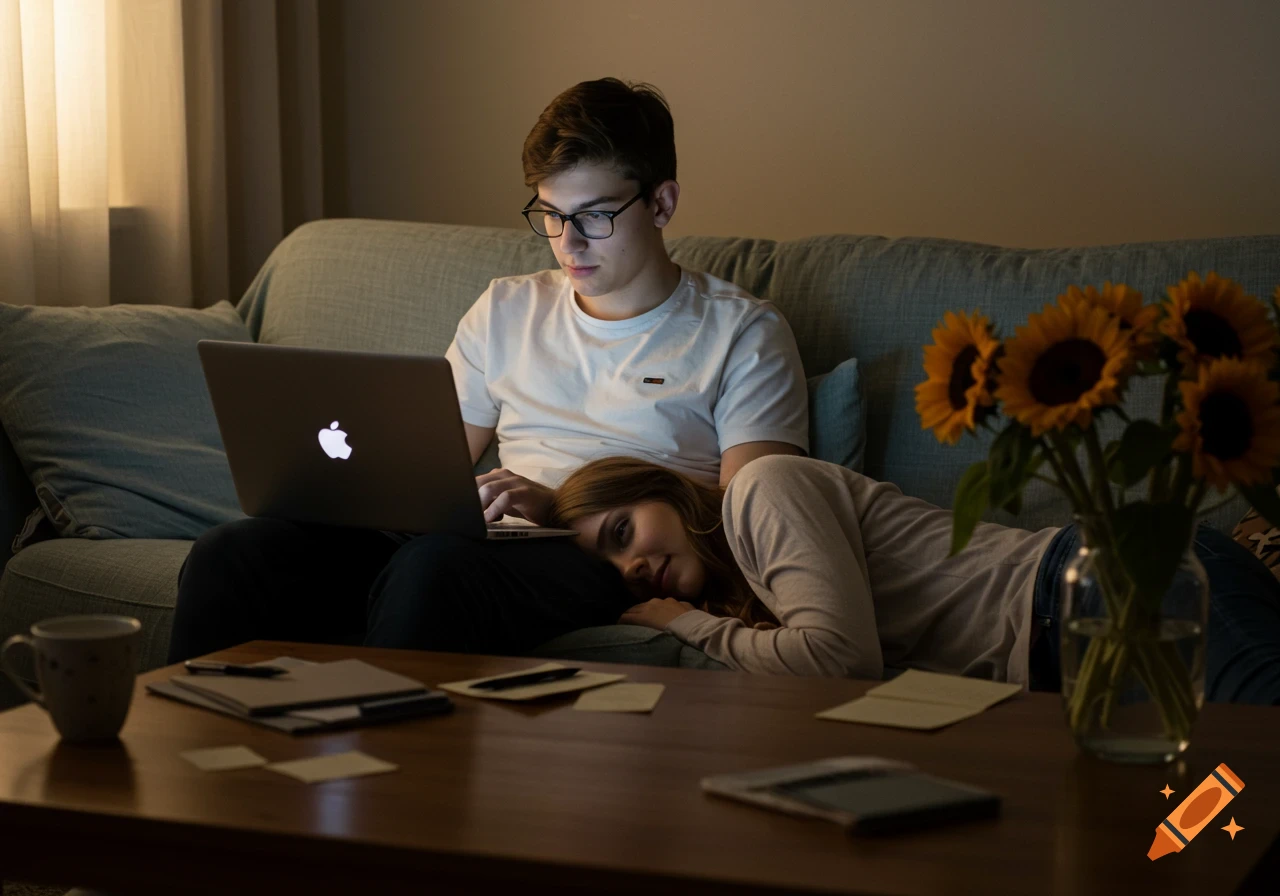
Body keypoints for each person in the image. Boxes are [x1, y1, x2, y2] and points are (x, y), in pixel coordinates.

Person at [166, 77, 809, 663]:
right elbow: (430, 469)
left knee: (435, 567)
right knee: (237, 554)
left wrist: (556, 508)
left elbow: (750, 524)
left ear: (662, 204)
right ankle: (197, 768)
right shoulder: (506, 307)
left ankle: (382, 772)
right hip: (493, 542)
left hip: (609, 557)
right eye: (551, 216)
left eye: (594, 216)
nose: (568, 243)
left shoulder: (742, 332)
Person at [547, 453, 1280, 705]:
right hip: (1070, 673)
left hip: (1110, 586)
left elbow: (840, 658)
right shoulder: (751, 599)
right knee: (1204, 831)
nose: (633, 567)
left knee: (1264, 746)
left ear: (664, 491)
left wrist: (686, 624)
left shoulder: (760, 493)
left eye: (622, 533)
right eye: (618, 575)